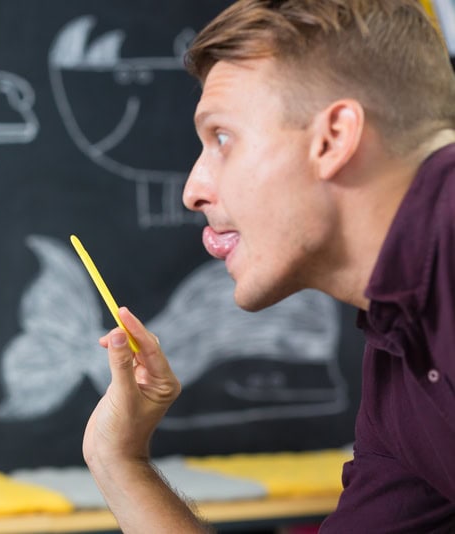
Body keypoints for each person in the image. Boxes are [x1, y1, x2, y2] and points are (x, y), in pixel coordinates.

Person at [82, 0, 455, 532]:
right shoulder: (398, 352)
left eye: (222, 138)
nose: (193, 190)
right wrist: (117, 460)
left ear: (332, 139)